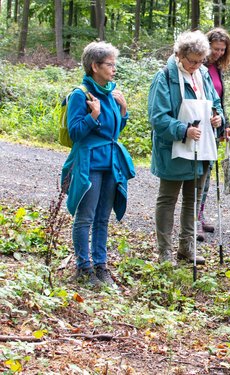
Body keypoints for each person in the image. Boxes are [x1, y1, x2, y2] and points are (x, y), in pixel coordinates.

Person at [61, 41, 135, 287]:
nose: (114, 69)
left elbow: (113, 131)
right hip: (90, 164)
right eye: (109, 64)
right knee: (85, 217)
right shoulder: (80, 95)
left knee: (103, 217)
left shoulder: (113, 93)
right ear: (94, 66)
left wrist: (123, 111)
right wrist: (92, 116)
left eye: (114, 64)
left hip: (111, 163)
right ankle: (84, 268)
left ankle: (101, 266)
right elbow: (75, 134)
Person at [148, 30, 225, 264]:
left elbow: (216, 103)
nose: (196, 65)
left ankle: (187, 248)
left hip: (201, 147)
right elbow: (157, 117)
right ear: (179, 54)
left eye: (201, 61)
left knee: (193, 199)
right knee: (168, 199)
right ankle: (164, 252)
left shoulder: (202, 74)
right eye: (192, 61)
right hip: (173, 149)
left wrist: (217, 117)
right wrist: (183, 130)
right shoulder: (164, 77)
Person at [197, 27, 230, 239]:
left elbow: (219, 101)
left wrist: (225, 124)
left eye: (223, 50)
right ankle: (192, 219)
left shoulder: (217, 68)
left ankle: (200, 215)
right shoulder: (198, 66)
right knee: (198, 174)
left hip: (214, 125)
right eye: (215, 48)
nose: (219, 53)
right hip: (199, 127)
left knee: (208, 173)